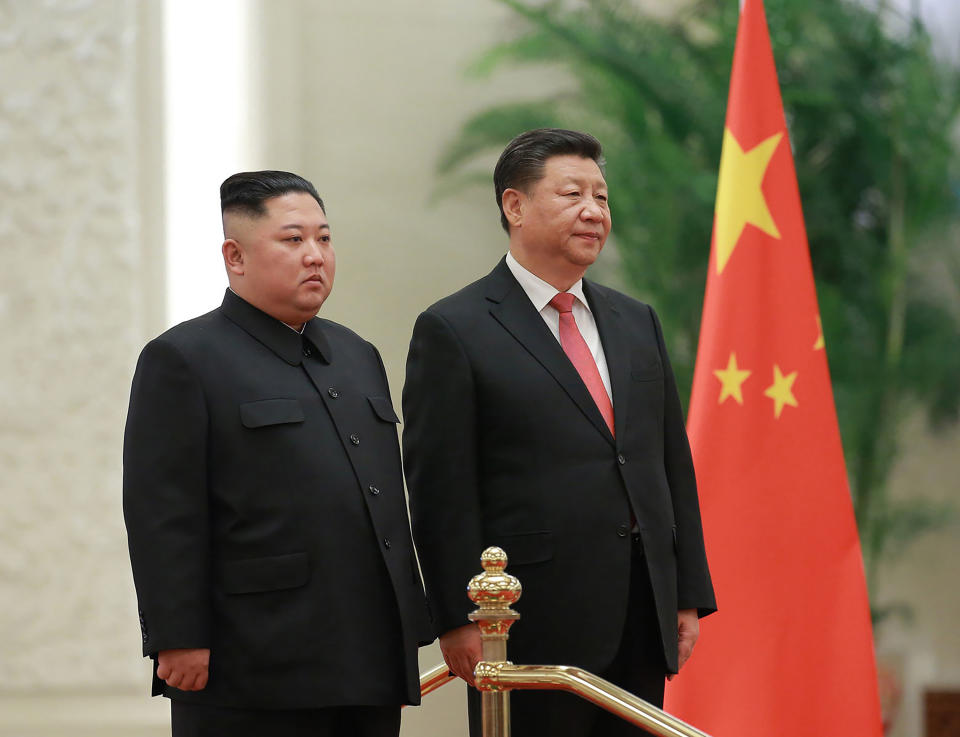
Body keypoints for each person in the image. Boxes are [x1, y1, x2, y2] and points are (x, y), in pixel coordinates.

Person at [402, 129, 716, 736]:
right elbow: (440, 488)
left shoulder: (634, 319)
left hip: (640, 611)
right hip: (526, 618)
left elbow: (668, 463)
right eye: (573, 194)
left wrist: (685, 592)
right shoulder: (455, 328)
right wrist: (456, 619)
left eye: (602, 196)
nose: (595, 212)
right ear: (514, 206)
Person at [123, 170, 433, 737]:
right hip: (254, 655)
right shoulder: (184, 358)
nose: (315, 255)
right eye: (293, 240)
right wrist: (177, 635)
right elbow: (163, 512)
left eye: (324, 238)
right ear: (235, 257)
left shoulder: (355, 353)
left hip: (368, 649)